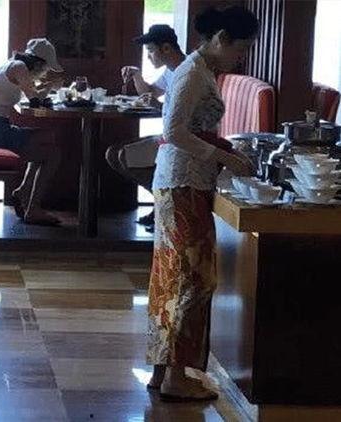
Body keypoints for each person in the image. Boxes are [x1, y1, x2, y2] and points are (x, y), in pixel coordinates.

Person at [146, 6, 259, 402]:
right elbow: (174, 131)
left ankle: (164, 372)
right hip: (182, 183)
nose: (241, 57)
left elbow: (194, 129)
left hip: (184, 181)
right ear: (221, 38)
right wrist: (223, 156)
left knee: (174, 277)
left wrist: (223, 148)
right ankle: (175, 377)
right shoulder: (192, 72)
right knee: (192, 279)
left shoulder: (201, 70)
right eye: (241, 48)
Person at [0, 38, 64, 226]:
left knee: (48, 137)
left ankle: (23, 192)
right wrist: (49, 86)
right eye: (46, 68)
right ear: (38, 64)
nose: (45, 72)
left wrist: (46, 87)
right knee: (53, 154)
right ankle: (33, 208)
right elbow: (35, 102)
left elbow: (32, 96)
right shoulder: (20, 68)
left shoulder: (13, 65)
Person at [105, 25, 185, 230]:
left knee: (122, 155)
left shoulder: (187, 73)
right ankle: (163, 202)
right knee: (113, 153)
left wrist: (158, 106)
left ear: (166, 48)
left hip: (180, 140)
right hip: (169, 136)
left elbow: (184, 116)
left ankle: (167, 205)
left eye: (150, 50)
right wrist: (137, 75)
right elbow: (149, 92)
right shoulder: (171, 70)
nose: (148, 56)